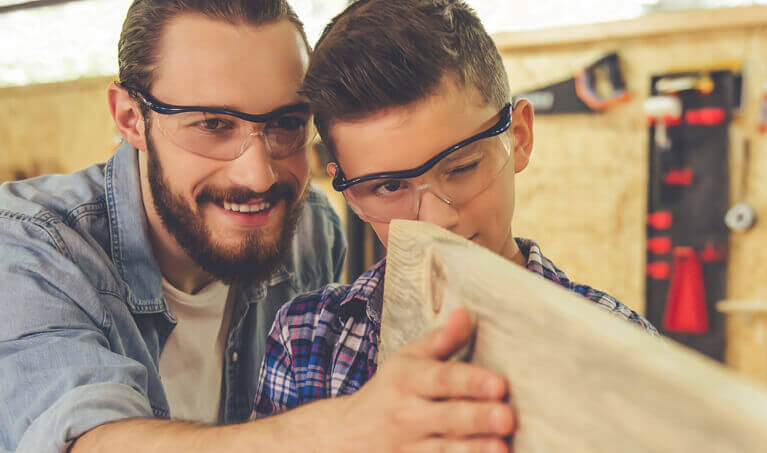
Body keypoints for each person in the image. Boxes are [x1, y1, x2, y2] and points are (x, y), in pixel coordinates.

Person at [0, 1, 515, 452]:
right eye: (213, 125)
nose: (259, 175)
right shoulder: (27, 246)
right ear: (132, 118)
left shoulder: (309, 230)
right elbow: (83, 441)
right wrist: (345, 431)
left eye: (286, 125)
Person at [253, 0, 658, 428]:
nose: (437, 222)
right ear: (352, 196)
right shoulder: (306, 341)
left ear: (518, 137)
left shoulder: (621, 350)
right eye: (389, 187)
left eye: (462, 168)